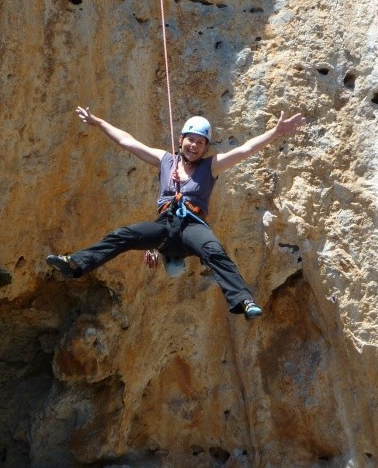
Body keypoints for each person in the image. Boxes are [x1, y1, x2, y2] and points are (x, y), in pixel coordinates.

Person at [46, 107, 305, 320]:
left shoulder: (210, 166)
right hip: (166, 227)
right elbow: (127, 142)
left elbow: (245, 150)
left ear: (205, 147)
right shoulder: (165, 160)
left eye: (200, 142)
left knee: (213, 250)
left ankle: (243, 300)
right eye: (191, 139)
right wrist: (99, 122)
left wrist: (275, 132)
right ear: (181, 139)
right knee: (123, 235)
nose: (194, 145)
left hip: (192, 227)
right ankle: (76, 264)